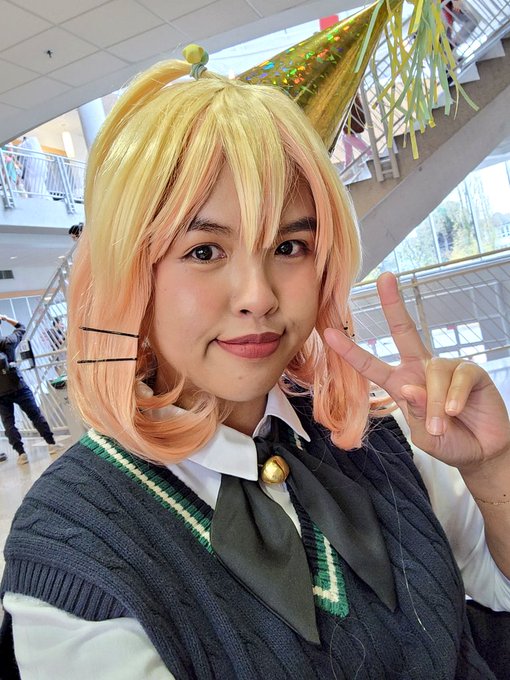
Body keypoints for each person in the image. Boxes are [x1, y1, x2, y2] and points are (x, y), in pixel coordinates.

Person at [1, 48, 509, 679]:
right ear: (133, 276)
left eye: (289, 246)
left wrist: (490, 468)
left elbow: (497, 592)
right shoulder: (71, 540)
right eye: (205, 250)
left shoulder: (378, 435)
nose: (259, 296)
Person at [0, 314, 62, 465]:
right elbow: (21, 327)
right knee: (35, 414)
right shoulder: (8, 341)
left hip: (1, 393)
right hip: (18, 386)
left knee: (9, 424)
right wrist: (6, 318)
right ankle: (51, 444)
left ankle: (21, 454)